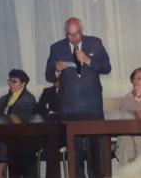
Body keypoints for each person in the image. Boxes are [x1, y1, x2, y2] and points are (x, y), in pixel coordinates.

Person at [45, 17, 111, 177]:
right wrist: (57, 70)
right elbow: (48, 75)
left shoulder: (95, 42)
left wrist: (88, 60)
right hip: (69, 105)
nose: (74, 38)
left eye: (77, 34)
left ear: (82, 30)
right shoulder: (56, 48)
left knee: (96, 148)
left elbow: (107, 67)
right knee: (74, 149)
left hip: (92, 104)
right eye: (70, 35)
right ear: (65, 33)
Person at [0, 69, 37, 178]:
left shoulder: (28, 99)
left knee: (1, 145)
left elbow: (18, 119)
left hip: (19, 135)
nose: (11, 84)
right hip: (1, 132)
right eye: (9, 81)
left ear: (23, 83)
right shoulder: (3, 99)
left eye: (14, 81)